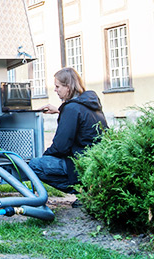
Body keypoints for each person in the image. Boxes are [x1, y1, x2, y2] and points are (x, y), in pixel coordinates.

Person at [29, 67, 108, 207]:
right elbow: (81, 119)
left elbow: (61, 146)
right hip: (96, 162)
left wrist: (45, 156)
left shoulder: (71, 109)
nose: (55, 90)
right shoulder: (90, 102)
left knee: (35, 165)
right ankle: (91, 191)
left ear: (68, 87)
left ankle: (84, 194)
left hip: (81, 163)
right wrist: (60, 111)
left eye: (57, 86)